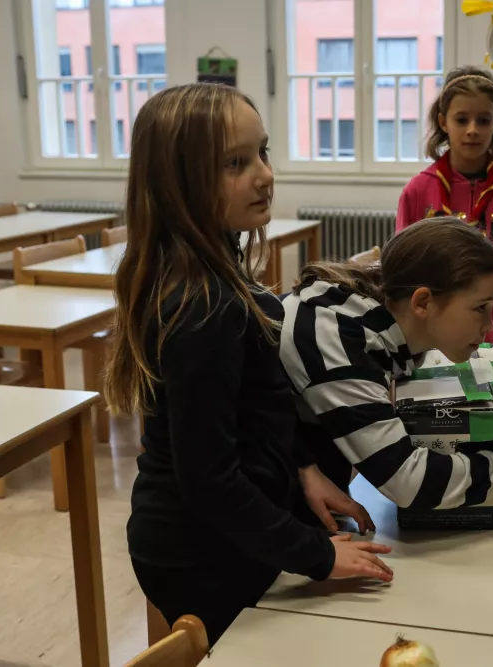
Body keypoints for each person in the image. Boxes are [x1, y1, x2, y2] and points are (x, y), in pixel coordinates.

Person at [104, 83, 392, 643]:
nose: (264, 175)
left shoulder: (217, 266)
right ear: (180, 182)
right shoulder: (202, 308)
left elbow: (256, 402)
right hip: (200, 551)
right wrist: (316, 555)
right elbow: (208, 481)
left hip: (228, 527)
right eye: (234, 163)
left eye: (262, 152)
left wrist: (303, 467)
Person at [279, 218, 493, 521]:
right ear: (423, 302)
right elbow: (408, 482)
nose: (490, 325)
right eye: (481, 307)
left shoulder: (377, 324)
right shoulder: (341, 345)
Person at [396, 66, 493, 347]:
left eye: (483, 120)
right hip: (433, 339)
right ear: (443, 122)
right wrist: (405, 340)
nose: (472, 130)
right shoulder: (417, 191)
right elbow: (402, 279)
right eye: (461, 120)